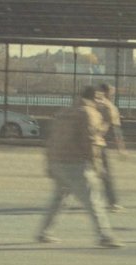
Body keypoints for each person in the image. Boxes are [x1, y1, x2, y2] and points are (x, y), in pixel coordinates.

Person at [36, 86, 124, 249]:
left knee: (60, 198)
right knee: (94, 200)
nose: (102, 101)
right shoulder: (89, 113)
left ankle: (44, 232)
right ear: (95, 98)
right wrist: (97, 166)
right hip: (76, 164)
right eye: (100, 98)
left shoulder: (64, 113)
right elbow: (91, 141)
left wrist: (49, 163)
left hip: (57, 161)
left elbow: (51, 139)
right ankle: (105, 236)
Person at [95, 83, 128, 213]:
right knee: (105, 173)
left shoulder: (90, 102)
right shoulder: (110, 107)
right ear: (108, 93)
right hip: (97, 143)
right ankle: (113, 202)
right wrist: (121, 148)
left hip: (83, 142)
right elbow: (116, 130)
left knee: (79, 171)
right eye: (112, 92)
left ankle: (63, 198)